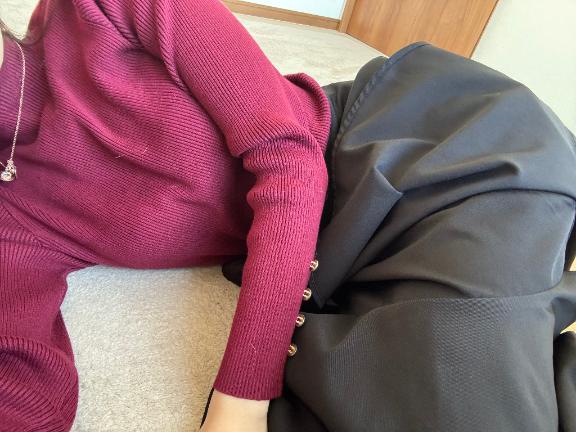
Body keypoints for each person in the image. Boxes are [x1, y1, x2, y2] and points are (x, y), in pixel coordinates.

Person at [0, 0, 331, 430]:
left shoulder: (96, 10)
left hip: (364, 156)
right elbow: (21, 385)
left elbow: (291, 157)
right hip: (325, 252)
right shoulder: (14, 207)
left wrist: (241, 401)